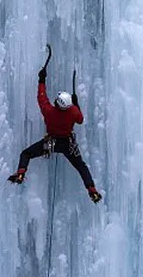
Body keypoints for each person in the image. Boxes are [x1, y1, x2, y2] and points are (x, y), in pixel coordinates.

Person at [7, 59, 102, 203]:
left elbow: (41, 98)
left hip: (50, 143)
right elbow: (80, 120)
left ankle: (20, 173)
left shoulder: (49, 111)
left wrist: (41, 79)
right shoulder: (73, 112)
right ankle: (92, 190)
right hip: (68, 145)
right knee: (81, 167)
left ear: (58, 103)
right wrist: (76, 104)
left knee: (26, 154)